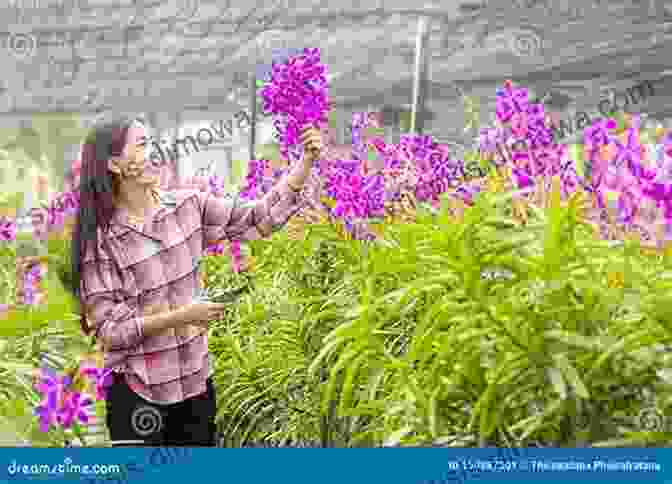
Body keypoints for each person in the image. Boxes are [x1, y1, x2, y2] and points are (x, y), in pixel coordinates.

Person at [68, 114, 321, 446]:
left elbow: (258, 219)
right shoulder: (102, 240)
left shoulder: (188, 206)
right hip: (139, 396)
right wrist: (183, 317)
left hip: (195, 387)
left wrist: (304, 163)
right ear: (115, 164)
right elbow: (111, 331)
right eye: (143, 145)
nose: (156, 151)